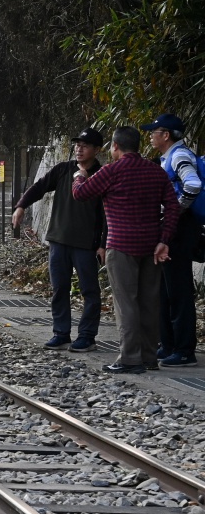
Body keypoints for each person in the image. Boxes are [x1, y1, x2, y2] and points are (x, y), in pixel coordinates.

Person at [72, 125, 179, 374]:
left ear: (116, 147)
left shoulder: (111, 171)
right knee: (149, 303)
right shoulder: (156, 172)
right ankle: (150, 356)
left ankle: (130, 358)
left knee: (126, 304)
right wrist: (165, 239)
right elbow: (173, 208)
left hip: (120, 247)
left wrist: (79, 175)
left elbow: (81, 194)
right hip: (152, 246)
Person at [11, 127, 107, 353]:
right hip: (58, 240)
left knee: (90, 291)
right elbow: (39, 187)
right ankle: (61, 333)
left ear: (96, 150)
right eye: (77, 145)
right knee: (59, 288)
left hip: (86, 244)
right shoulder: (64, 170)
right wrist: (21, 206)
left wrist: (103, 243)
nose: (79, 149)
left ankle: (87, 336)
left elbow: (106, 214)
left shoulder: (102, 175)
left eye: (84, 146)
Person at [143, 113, 201, 367]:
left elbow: (193, 184)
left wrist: (175, 210)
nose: (151, 136)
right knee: (166, 291)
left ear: (165, 135)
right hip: (172, 229)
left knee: (178, 291)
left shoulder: (179, 156)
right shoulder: (169, 157)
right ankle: (168, 345)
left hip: (179, 230)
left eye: (154, 132)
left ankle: (184, 350)